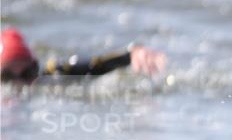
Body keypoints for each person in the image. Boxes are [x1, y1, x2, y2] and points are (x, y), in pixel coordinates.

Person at [0, 27, 166, 83]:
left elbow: (94, 64)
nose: (19, 82)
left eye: (28, 73)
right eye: (6, 77)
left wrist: (131, 55)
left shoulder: (52, 74)